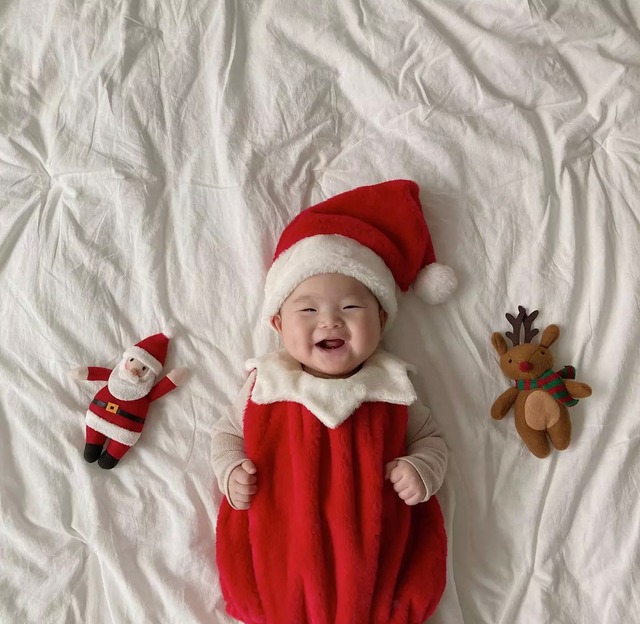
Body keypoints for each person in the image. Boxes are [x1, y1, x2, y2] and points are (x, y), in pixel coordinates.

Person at [211, 179, 457, 624]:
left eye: (351, 308)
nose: (330, 321)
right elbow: (227, 434)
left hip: (376, 559)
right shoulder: (267, 384)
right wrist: (230, 470)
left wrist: (422, 469)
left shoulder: (391, 387)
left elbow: (432, 440)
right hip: (281, 553)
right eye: (308, 310)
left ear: (381, 319)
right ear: (277, 324)